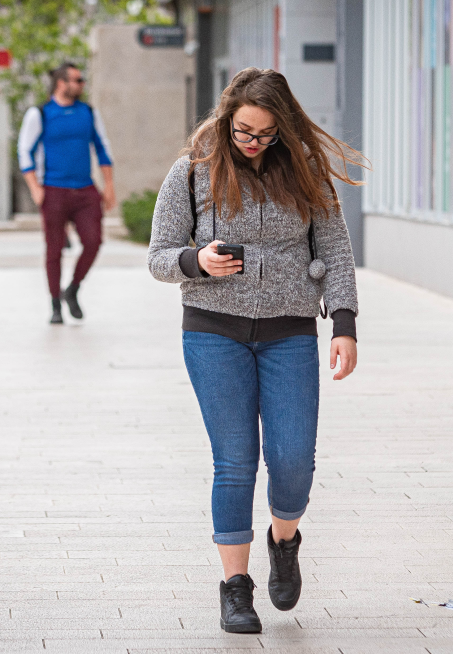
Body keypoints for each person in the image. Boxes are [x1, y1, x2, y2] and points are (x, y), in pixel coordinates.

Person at [147, 68, 362, 634]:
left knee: (292, 460)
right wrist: (197, 262)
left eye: (266, 134)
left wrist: (344, 322)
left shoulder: (307, 174)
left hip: (289, 332)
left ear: (282, 130)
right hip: (213, 330)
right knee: (235, 463)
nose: (252, 143)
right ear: (226, 118)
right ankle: (235, 588)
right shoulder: (192, 172)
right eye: (244, 131)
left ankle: (284, 540)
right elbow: (159, 256)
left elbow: (336, 251)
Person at [18, 62, 116, 324]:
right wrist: (35, 188)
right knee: (53, 249)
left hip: (85, 189)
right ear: (62, 83)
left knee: (94, 242)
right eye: (77, 80)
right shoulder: (40, 114)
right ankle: (55, 305)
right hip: (53, 190)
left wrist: (109, 186)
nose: (82, 84)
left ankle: (72, 289)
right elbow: (24, 150)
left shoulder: (88, 113)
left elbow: (102, 148)